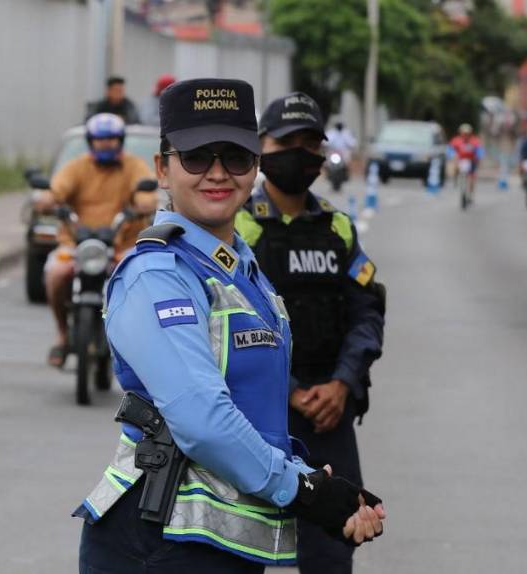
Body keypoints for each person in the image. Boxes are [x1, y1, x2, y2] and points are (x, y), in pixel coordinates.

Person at [75, 79, 385, 573]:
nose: (217, 173)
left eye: (235, 157)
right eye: (197, 157)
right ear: (163, 167)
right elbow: (203, 422)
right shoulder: (158, 274)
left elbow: (256, 417)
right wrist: (303, 491)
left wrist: (324, 487)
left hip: (216, 548)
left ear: (255, 166)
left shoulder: (241, 269)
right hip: (155, 544)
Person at [235, 91, 386, 574]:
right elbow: (232, 325)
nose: (301, 153)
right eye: (288, 141)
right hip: (257, 416)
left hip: (329, 415)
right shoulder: (237, 229)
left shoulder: (338, 229)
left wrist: (342, 383)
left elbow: (367, 313)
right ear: (262, 146)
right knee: (238, 545)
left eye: (310, 143)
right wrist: (292, 393)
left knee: (333, 548)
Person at [35, 113, 156, 367]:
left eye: (111, 139)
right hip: (78, 245)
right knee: (56, 273)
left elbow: (148, 193)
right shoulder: (78, 167)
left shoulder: (133, 166)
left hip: (122, 246)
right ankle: (61, 333)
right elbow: (56, 190)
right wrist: (48, 201)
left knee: (143, 281)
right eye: (100, 140)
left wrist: (144, 203)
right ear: (91, 142)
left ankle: (138, 341)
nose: (106, 144)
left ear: (120, 141)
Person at [447, 123, 484, 200]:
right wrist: (453, 156)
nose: (465, 135)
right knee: (454, 166)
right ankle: (456, 177)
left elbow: (479, 151)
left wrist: (478, 157)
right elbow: (450, 150)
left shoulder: (475, 141)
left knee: (472, 179)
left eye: (467, 133)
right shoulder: (456, 140)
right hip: (460, 161)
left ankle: (470, 193)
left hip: (471, 161)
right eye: (464, 133)